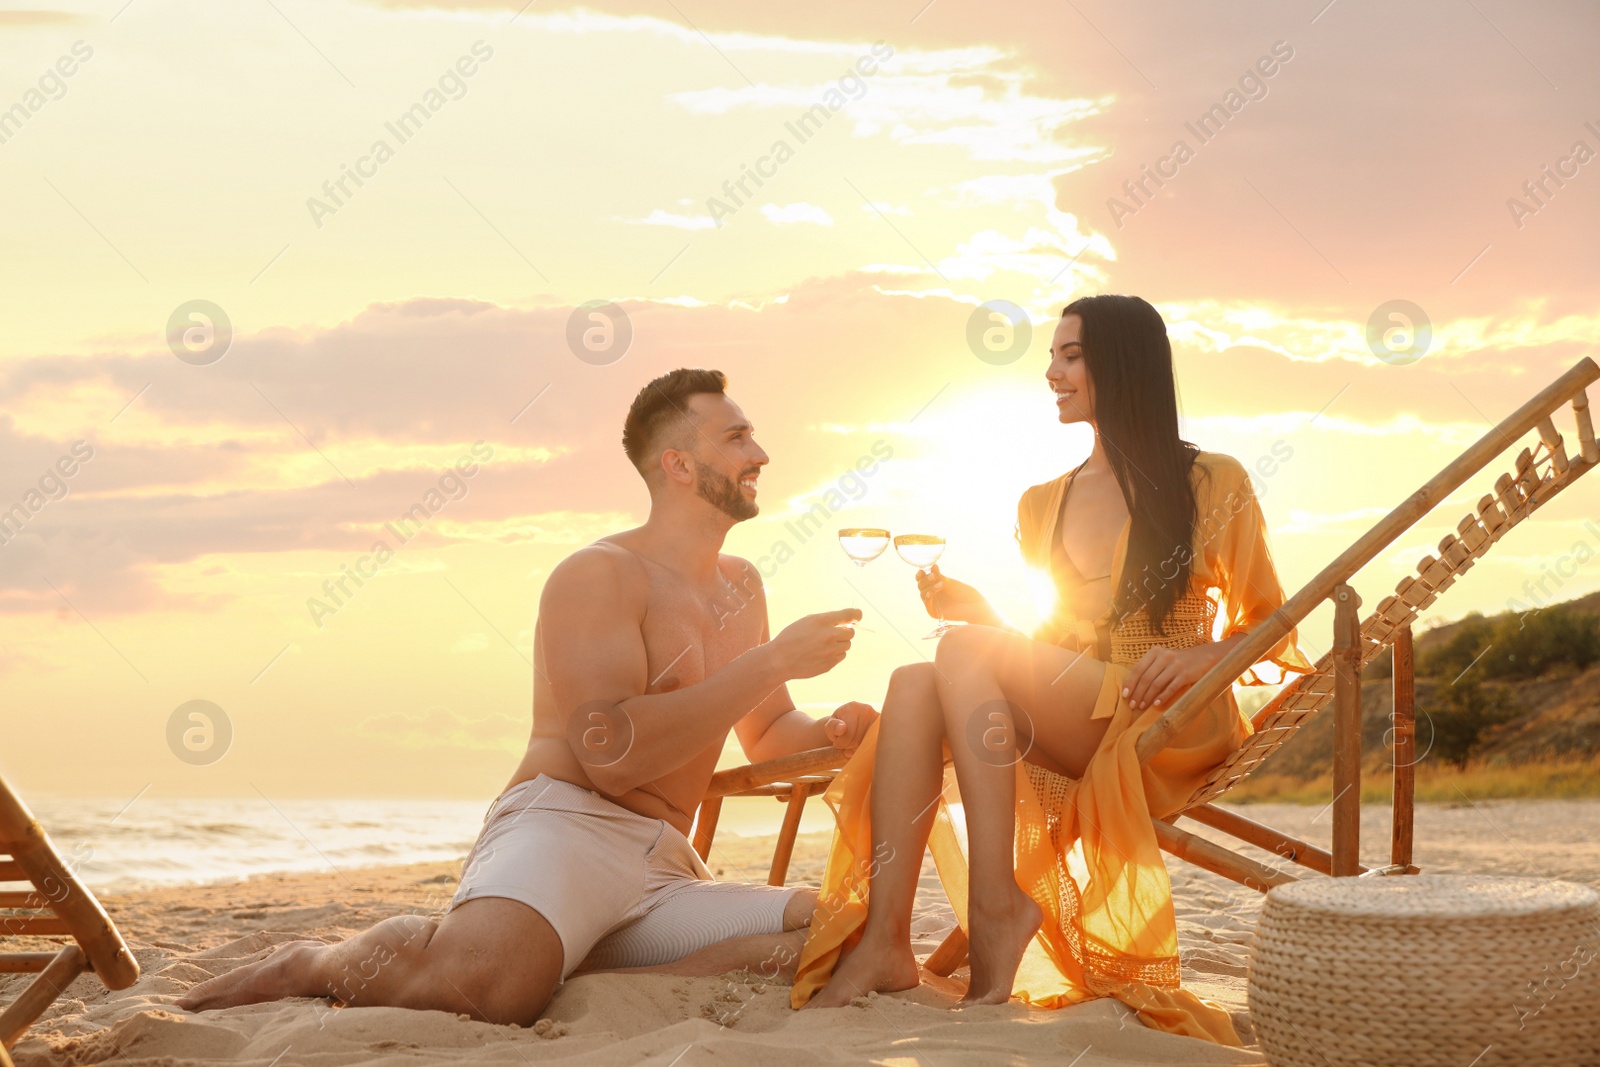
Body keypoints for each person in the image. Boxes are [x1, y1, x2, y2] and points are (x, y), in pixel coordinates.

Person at [178, 368, 879, 1024]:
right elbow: (609, 754)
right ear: (678, 464)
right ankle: (314, 961)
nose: (759, 452)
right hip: (567, 826)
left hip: (666, 862)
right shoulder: (599, 575)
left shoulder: (743, 586)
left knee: (842, 939)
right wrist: (769, 661)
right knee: (488, 987)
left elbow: (771, 729)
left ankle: (578, 968)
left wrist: (837, 730)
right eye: (736, 437)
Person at [794, 295, 1310, 1043]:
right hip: (1086, 708)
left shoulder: (1211, 482)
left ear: (1121, 365)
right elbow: (1052, 650)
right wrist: (985, 615)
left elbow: (1272, 620)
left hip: (1168, 716)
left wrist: (1197, 657)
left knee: (960, 652)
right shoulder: (1041, 503)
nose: (1051, 372)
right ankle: (886, 940)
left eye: (1070, 355)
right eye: (1052, 355)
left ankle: (996, 904)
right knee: (915, 679)